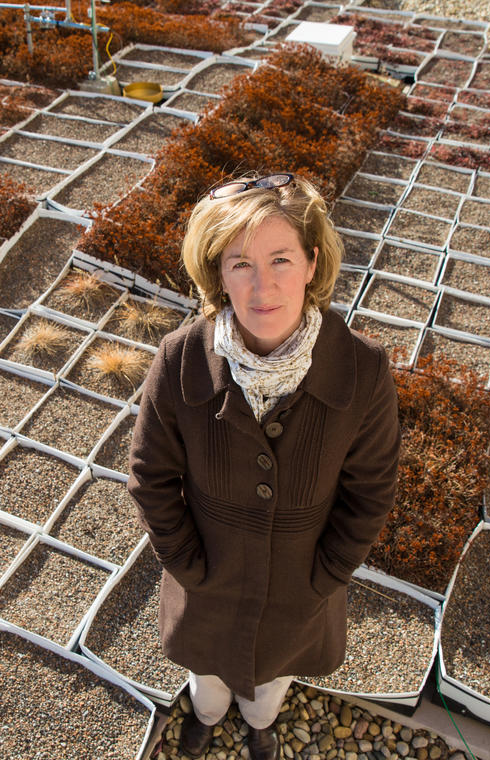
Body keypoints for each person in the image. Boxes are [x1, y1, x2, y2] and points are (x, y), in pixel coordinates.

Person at [127, 173, 400, 760]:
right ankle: (205, 716)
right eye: (239, 264)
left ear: (312, 262)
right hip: (206, 586)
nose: (262, 287)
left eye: (281, 259)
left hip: (300, 594)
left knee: (268, 689)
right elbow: (151, 475)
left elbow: (370, 492)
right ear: (217, 274)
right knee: (208, 687)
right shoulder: (179, 358)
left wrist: (325, 577)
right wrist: (187, 565)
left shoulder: (364, 370)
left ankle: (261, 726)